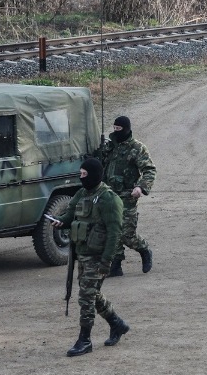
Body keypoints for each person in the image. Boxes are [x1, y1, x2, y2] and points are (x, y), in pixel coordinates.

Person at [52, 157, 129, 357]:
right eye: (81, 174)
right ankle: (116, 323)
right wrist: (60, 222)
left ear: (94, 175)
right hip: (83, 254)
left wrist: (107, 261)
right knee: (92, 294)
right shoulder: (81, 194)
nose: (81, 177)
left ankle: (84, 340)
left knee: (86, 297)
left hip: (98, 256)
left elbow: (114, 233)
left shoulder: (109, 199)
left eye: (84, 174)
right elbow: (70, 216)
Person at [98, 116, 157, 275]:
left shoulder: (137, 148)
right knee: (111, 229)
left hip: (127, 195)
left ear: (127, 129)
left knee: (126, 233)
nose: (116, 132)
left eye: (119, 129)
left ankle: (144, 249)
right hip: (109, 195)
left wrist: (141, 187)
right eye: (115, 128)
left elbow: (149, 170)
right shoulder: (109, 147)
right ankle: (116, 265)